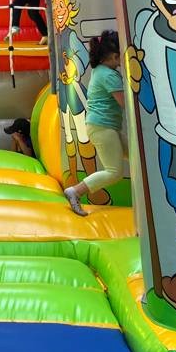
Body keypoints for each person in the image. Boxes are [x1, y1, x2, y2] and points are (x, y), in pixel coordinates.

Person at [63, 31, 124, 216]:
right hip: (103, 127)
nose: (120, 62)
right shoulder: (109, 75)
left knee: (137, 156)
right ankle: (75, 191)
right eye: (120, 57)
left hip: (100, 126)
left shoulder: (100, 71)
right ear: (113, 56)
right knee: (114, 172)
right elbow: (126, 103)